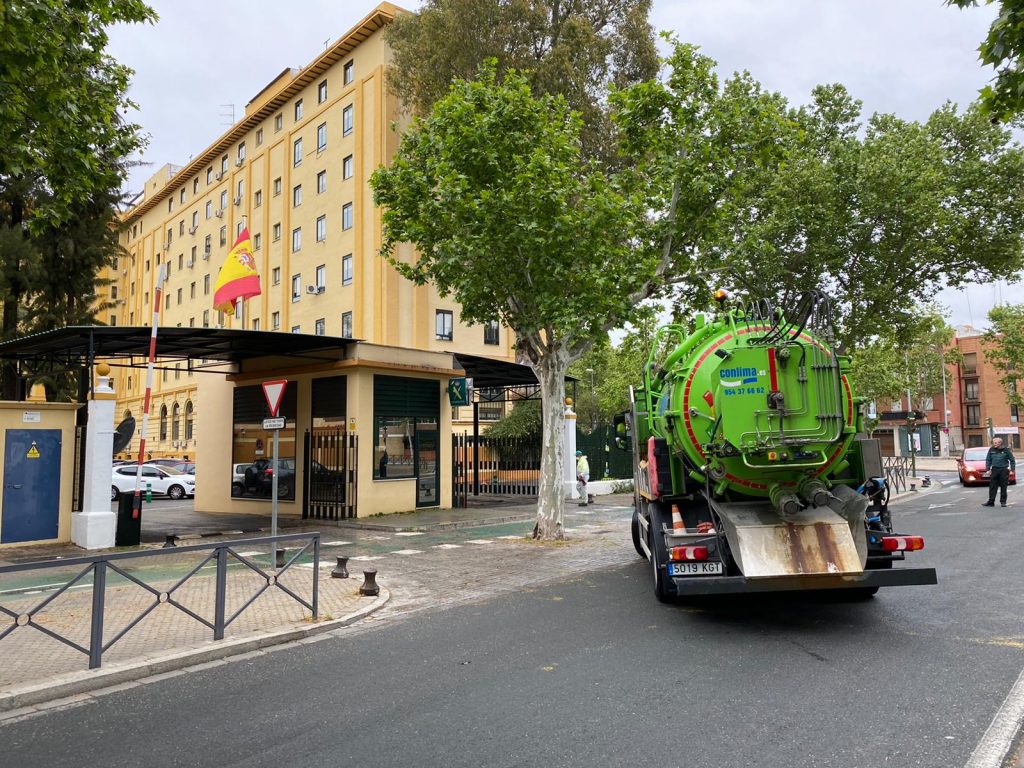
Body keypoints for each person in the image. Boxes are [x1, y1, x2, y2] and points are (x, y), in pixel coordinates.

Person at [982, 436, 1016, 507]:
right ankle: (991, 502)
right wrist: (988, 469)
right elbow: (988, 459)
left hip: (1004, 470)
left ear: (1000, 443)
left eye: (995, 443)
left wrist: (1012, 470)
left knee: (1004, 486)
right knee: (992, 486)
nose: (994, 444)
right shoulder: (991, 449)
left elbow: (1012, 460)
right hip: (994, 470)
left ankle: (1003, 502)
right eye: (993, 442)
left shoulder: (1006, 450)